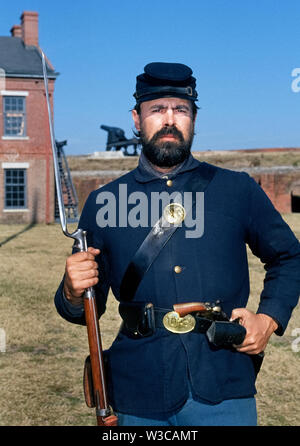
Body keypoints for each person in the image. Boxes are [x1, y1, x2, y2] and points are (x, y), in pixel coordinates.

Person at [54, 62, 300, 426]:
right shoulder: (103, 202)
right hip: (137, 393)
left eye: (180, 110)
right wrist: (73, 292)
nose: (170, 119)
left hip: (223, 384)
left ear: (194, 119)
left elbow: (289, 257)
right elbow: (84, 307)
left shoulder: (237, 190)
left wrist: (268, 319)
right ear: (137, 119)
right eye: (157, 109)